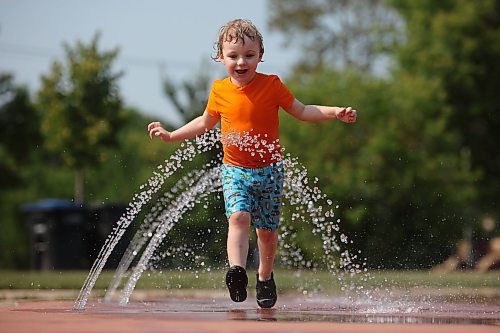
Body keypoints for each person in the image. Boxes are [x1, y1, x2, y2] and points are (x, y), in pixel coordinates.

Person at [148, 19, 357, 308]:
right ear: (221, 57)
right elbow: (205, 122)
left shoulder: (271, 85)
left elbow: (302, 110)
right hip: (234, 170)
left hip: (270, 171)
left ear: (260, 54)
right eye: (233, 56)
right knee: (239, 218)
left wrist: (334, 112)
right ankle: (236, 270)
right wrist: (172, 135)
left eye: (249, 55)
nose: (241, 61)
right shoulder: (220, 90)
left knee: (267, 233)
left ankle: (265, 277)